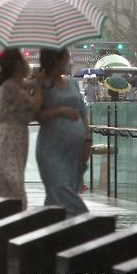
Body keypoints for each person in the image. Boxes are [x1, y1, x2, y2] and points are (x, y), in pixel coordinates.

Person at [0, 49, 44, 209]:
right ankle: (13, 209)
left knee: (9, 172)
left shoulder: (13, 84)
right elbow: (34, 106)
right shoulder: (11, 86)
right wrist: (38, 86)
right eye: (23, 59)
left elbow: (26, 85)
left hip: (10, 135)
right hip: (10, 137)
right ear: (17, 65)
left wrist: (37, 81)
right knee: (11, 175)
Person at [36, 48, 90, 217]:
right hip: (51, 149)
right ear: (57, 59)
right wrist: (60, 111)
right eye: (66, 57)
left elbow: (83, 114)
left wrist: (87, 139)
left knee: (59, 195)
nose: (69, 61)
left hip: (74, 151)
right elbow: (37, 115)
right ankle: (85, 221)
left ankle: (55, 231)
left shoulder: (72, 83)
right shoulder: (42, 84)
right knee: (59, 188)